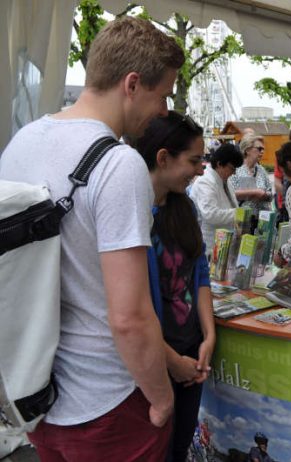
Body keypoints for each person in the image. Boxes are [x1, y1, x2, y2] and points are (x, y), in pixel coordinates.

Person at [0, 16, 183, 461]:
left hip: (39, 395)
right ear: (133, 84)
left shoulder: (22, 142)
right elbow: (129, 317)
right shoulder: (120, 164)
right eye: (162, 96)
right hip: (109, 400)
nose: (163, 110)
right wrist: (161, 399)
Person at [136, 112, 215, 462]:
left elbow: (200, 276)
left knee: (180, 446)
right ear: (163, 158)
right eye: (194, 160)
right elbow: (130, 305)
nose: (201, 170)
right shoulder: (133, 214)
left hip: (191, 352)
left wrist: (209, 337)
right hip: (153, 360)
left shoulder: (187, 209)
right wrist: (170, 361)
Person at [189, 143, 244, 258]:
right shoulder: (205, 182)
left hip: (225, 244)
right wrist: (239, 213)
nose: (233, 173)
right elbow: (211, 214)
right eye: (232, 169)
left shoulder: (223, 180)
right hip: (210, 247)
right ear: (219, 164)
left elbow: (232, 207)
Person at [230, 134, 273, 214]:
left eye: (263, 149)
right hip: (243, 218)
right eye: (259, 149)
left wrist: (264, 195)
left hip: (262, 219)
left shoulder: (261, 170)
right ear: (247, 150)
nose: (262, 151)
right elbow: (230, 194)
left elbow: (271, 194)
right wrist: (253, 193)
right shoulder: (235, 170)